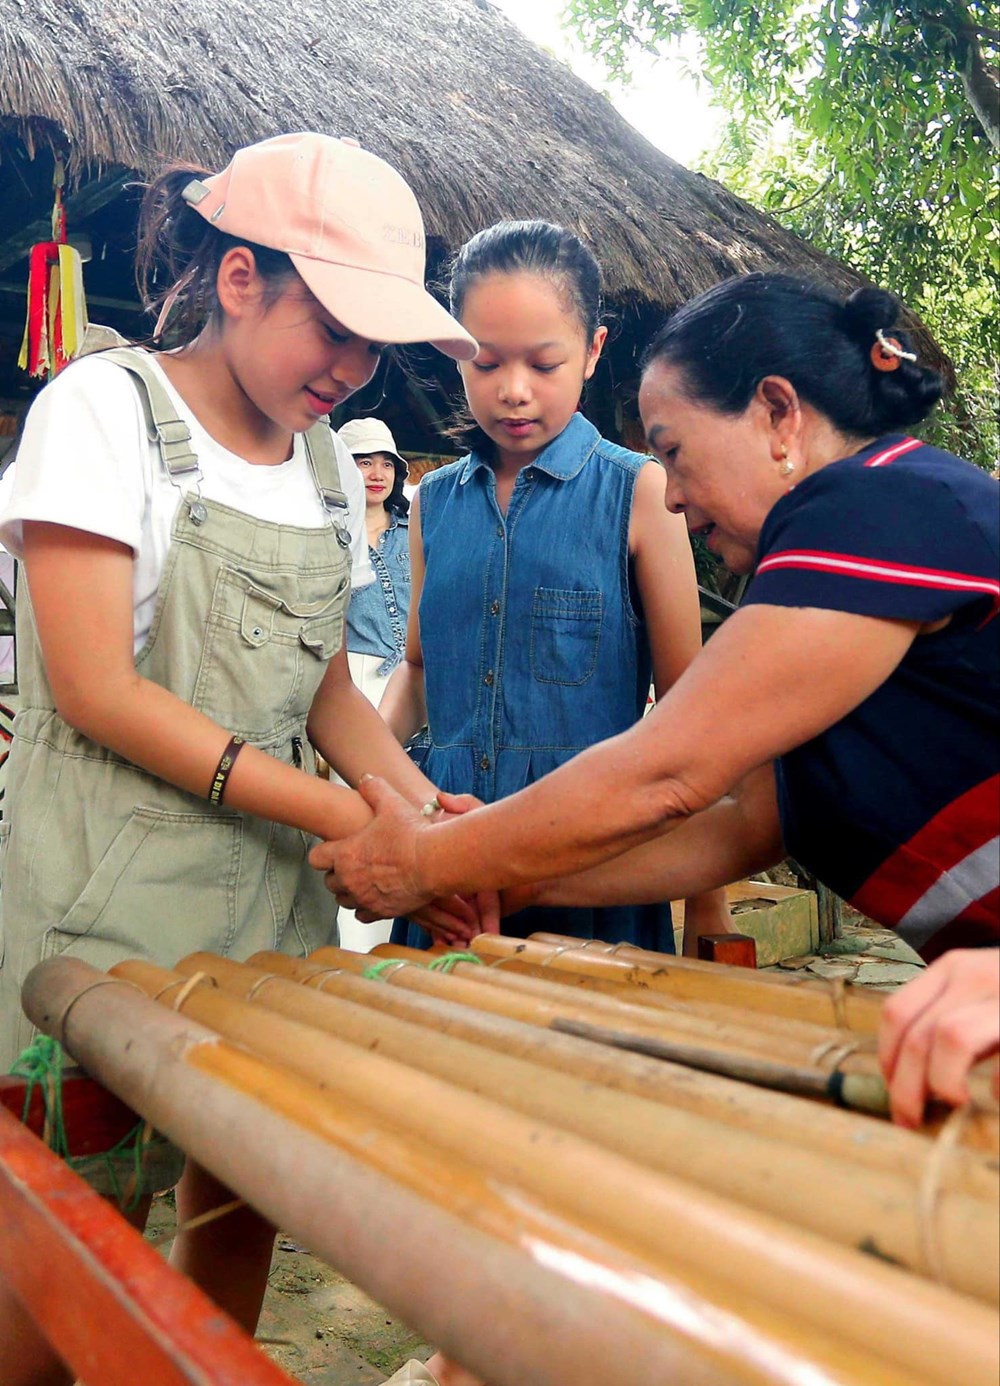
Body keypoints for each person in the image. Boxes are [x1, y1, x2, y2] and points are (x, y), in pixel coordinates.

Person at [0, 131, 480, 1385]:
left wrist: (429, 819)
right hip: (98, 907)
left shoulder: (327, 466)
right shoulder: (100, 412)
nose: (352, 367)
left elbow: (323, 686)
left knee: (230, 1219)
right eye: (333, 325)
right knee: (62, 1254)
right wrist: (349, 821)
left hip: (270, 915)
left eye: (374, 342)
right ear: (238, 279)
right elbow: (102, 691)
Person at [315, 272, 999, 1126]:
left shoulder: (880, 504)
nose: (670, 493)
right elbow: (740, 825)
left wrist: (423, 864)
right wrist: (505, 882)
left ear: (779, 414)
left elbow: (667, 771)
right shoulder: (822, 578)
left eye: (674, 451)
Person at [376, 220, 730, 954]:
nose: (513, 392)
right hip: (446, 871)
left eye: (544, 363)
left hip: (590, 868)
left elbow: (691, 717)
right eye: (486, 363)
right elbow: (415, 671)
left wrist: (707, 908)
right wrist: (367, 785)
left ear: (594, 351)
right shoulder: (433, 502)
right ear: (454, 354)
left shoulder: (639, 493)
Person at [339, 416, 412, 708]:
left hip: (418, 677)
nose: (378, 474)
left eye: (387, 464)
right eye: (365, 462)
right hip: (355, 679)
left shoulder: (418, 531)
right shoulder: (327, 538)